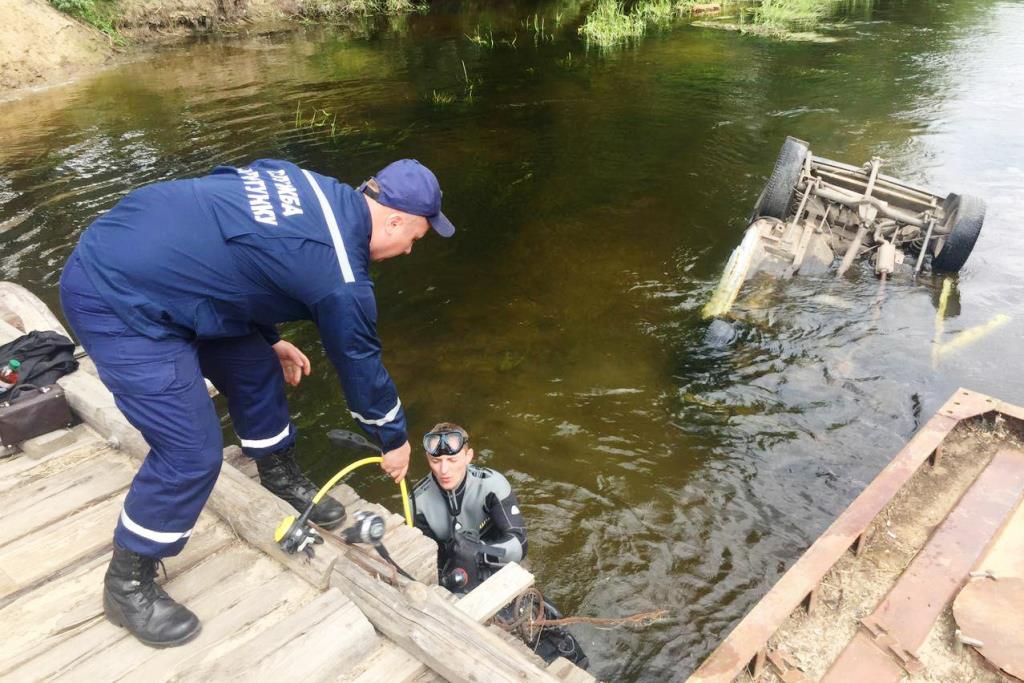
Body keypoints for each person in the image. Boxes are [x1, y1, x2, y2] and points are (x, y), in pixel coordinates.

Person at [59, 158, 454, 648]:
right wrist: (392, 440)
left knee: (257, 369)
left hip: (169, 272)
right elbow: (360, 365)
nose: (409, 250)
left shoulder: (310, 184)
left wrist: (266, 337)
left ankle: (279, 474)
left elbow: (244, 252)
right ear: (393, 219)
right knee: (190, 454)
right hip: (115, 295)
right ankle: (126, 584)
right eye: (414, 237)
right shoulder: (340, 276)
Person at [412, 422, 589, 669]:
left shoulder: (491, 485)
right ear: (427, 459)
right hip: (456, 573)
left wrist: (479, 551)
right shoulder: (419, 501)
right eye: (436, 461)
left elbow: (519, 543)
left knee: (541, 623)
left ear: (468, 455)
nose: (443, 470)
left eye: (452, 461)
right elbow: (426, 559)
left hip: (500, 560)